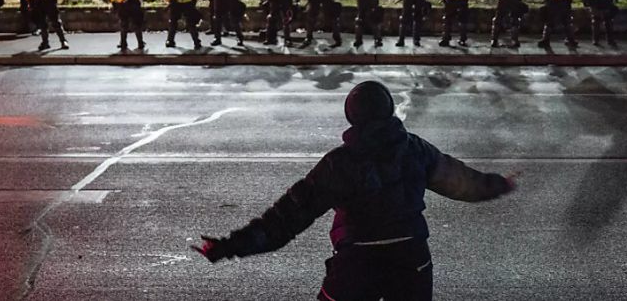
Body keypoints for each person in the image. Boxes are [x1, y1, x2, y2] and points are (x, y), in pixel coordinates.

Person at [191, 81, 516, 301]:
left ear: (352, 116)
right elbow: (461, 181)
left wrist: (229, 246)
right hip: (412, 261)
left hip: (357, 263)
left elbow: (286, 218)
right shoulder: (415, 149)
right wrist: (499, 184)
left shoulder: (338, 164)